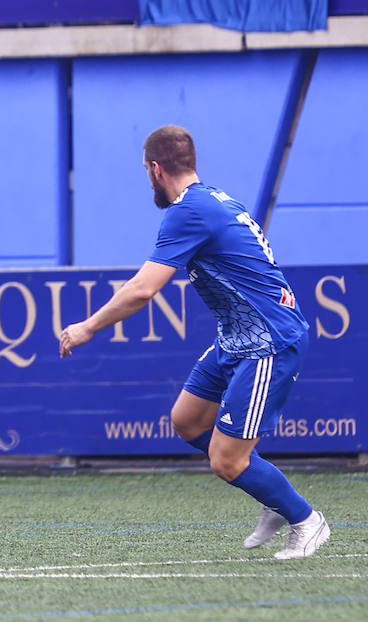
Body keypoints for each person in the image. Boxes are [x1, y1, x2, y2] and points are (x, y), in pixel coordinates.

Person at [58, 125, 329, 559]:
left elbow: (144, 288)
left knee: (226, 460)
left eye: (146, 174)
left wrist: (88, 326)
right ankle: (269, 493)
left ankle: (306, 520)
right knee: (187, 421)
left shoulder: (188, 210)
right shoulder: (216, 198)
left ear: (154, 168)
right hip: (237, 336)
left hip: (268, 341)